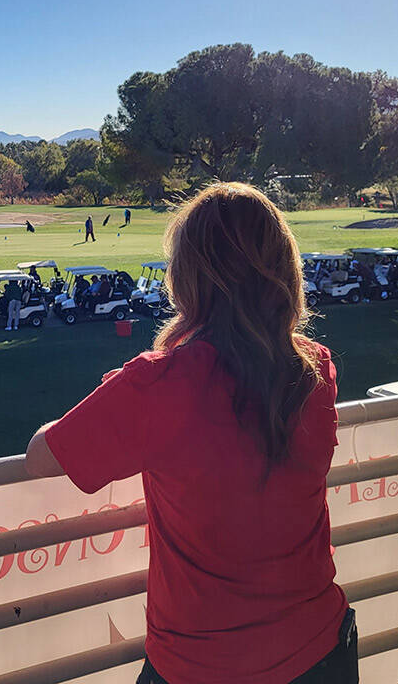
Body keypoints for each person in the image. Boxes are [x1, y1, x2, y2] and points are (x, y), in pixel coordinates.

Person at [25, 182, 355, 684]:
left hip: (200, 665)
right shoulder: (316, 369)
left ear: (187, 277)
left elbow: (41, 456)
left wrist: (120, 392)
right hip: (321, 649)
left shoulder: (158, 383)